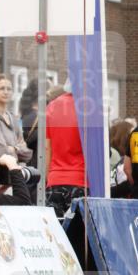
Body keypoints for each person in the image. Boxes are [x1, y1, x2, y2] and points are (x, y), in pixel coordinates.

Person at [45, 81, 88, 217]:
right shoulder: (90, 107)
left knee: (56, 235)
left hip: (55, 180)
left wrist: (48, 177)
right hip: (81, 180)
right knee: (79, 236)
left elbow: (48, 147)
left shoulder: (52, 106)